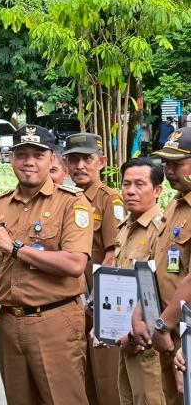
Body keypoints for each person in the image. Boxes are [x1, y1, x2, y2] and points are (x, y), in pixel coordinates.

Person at [0, 125, 93, 404]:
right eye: (21, 154)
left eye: (37, 155)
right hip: (10, 323)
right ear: (11, 158)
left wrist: (16, 248)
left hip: (55, 320)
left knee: (62, 399)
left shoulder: (72, 204)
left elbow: (75, 263)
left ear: (52, 160)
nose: (28, 161)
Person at [63, 132, 124, 405]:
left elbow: (113, 253)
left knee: (106, 378)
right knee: (78, 377)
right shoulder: (65, 201)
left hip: (98, 302)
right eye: (73, 159)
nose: (79, 166)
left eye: (87, 159)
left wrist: (96, 300)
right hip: (71, 302)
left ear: (101, 161)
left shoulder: (110, 200)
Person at [132, 127, 191, 405]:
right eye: (165, 163)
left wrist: (161, 325)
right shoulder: (176, 205)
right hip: (170, 333)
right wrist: (143, 311)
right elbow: (159, 266)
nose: (168, 170)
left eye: (177, 164)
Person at [113, 157, 166, 405]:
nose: (131, 191)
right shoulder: (125, 227)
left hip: (147, 345)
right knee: (128, 399)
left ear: (157, 190)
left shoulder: (161, 231)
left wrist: (134, 337)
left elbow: (158, 293)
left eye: (140, 184)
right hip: (125, 341)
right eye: (126, 184)